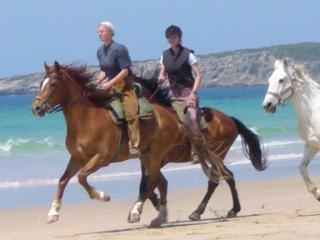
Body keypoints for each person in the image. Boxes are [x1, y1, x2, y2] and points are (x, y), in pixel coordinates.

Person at [94, 21, 140, 156]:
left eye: (102, 31)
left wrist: (109, 83)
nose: (100, 34)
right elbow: (103, 70)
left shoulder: (120, 49)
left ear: (110, 33)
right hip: (109, 87)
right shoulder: (100, 51)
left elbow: (125, 71)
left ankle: (135, 145)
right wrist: (97, 81)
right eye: (98, 32)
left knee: (131, 113)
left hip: (124, 87)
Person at [158, 25, 202, 163]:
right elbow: (163, 71)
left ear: (179, 38)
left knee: (192, 119)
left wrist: (193, 94)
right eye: (170, 37)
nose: (172, 39)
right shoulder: (164, 55)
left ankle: (197, 153)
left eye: (174, 37)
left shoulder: (188, 54)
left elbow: (199, 76)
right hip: (173, 95)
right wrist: (161, 76)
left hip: (188, 93)